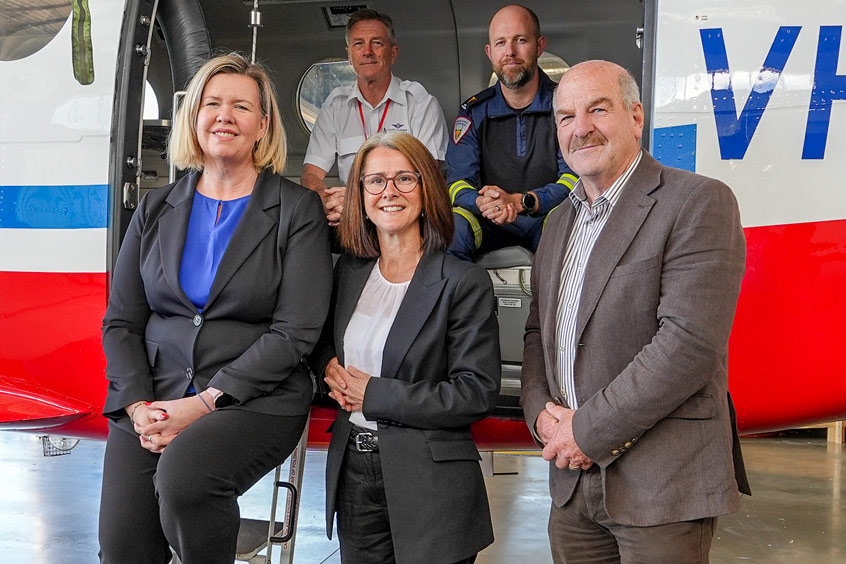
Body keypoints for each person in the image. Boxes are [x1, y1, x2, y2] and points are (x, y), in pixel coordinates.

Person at [98, 53, 333, 564]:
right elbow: (121, 321)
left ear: (263, 125)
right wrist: (139, 406)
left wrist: (203, 403)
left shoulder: (297, 210)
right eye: (213, 103)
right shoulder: (155, 209)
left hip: (253, 398)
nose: (225, 115)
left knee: (185, 481)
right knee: (122, 547)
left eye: (242, 106)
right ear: (194, 118)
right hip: (154, 398)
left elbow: (295, 332)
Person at [521, 60, 751, 563]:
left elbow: (687, 346)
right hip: (572, 488)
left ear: (635, 116)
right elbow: (539, 333)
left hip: (661, 485)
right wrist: (541, 417)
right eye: (565, 117)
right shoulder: (558, 224)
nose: (579, 128)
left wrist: (585, 432)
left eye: (596, 109)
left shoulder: (698, 201)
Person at [309, 131, 500, 564]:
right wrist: (329, 367)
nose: (388, 192)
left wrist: (372, 395)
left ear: (426, 188)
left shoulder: (462, 282)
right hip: (354, 475)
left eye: (404, 179)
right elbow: (322, 344)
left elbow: (475, 392)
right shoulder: (350, 273)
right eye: (375, 181)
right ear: (360, 194)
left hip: (431, 482)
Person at [446, 4, 577, 262]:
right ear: (489, 52)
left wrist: (525, 201)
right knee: (450, 229)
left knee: (568, 224)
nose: (510, 52)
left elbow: (574, 179)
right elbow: (457, 183)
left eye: (520, 40)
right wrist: (484, 203)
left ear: (539, 46)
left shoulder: (565, 106)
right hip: (489, 219)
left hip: (546, 215)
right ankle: (465, 302)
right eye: (501, 43)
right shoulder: (473, 113)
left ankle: (555, 304)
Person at [302, 8, 449, 227]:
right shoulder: (335, 106)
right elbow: (311, 175)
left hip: (404, 215)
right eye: (358, 44)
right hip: (353, 221)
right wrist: (326, 198)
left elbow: (430, 177)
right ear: (349, 55)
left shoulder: (420, 103)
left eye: (377, 43)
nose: (367, 51)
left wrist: (358, 201)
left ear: (393, 53)